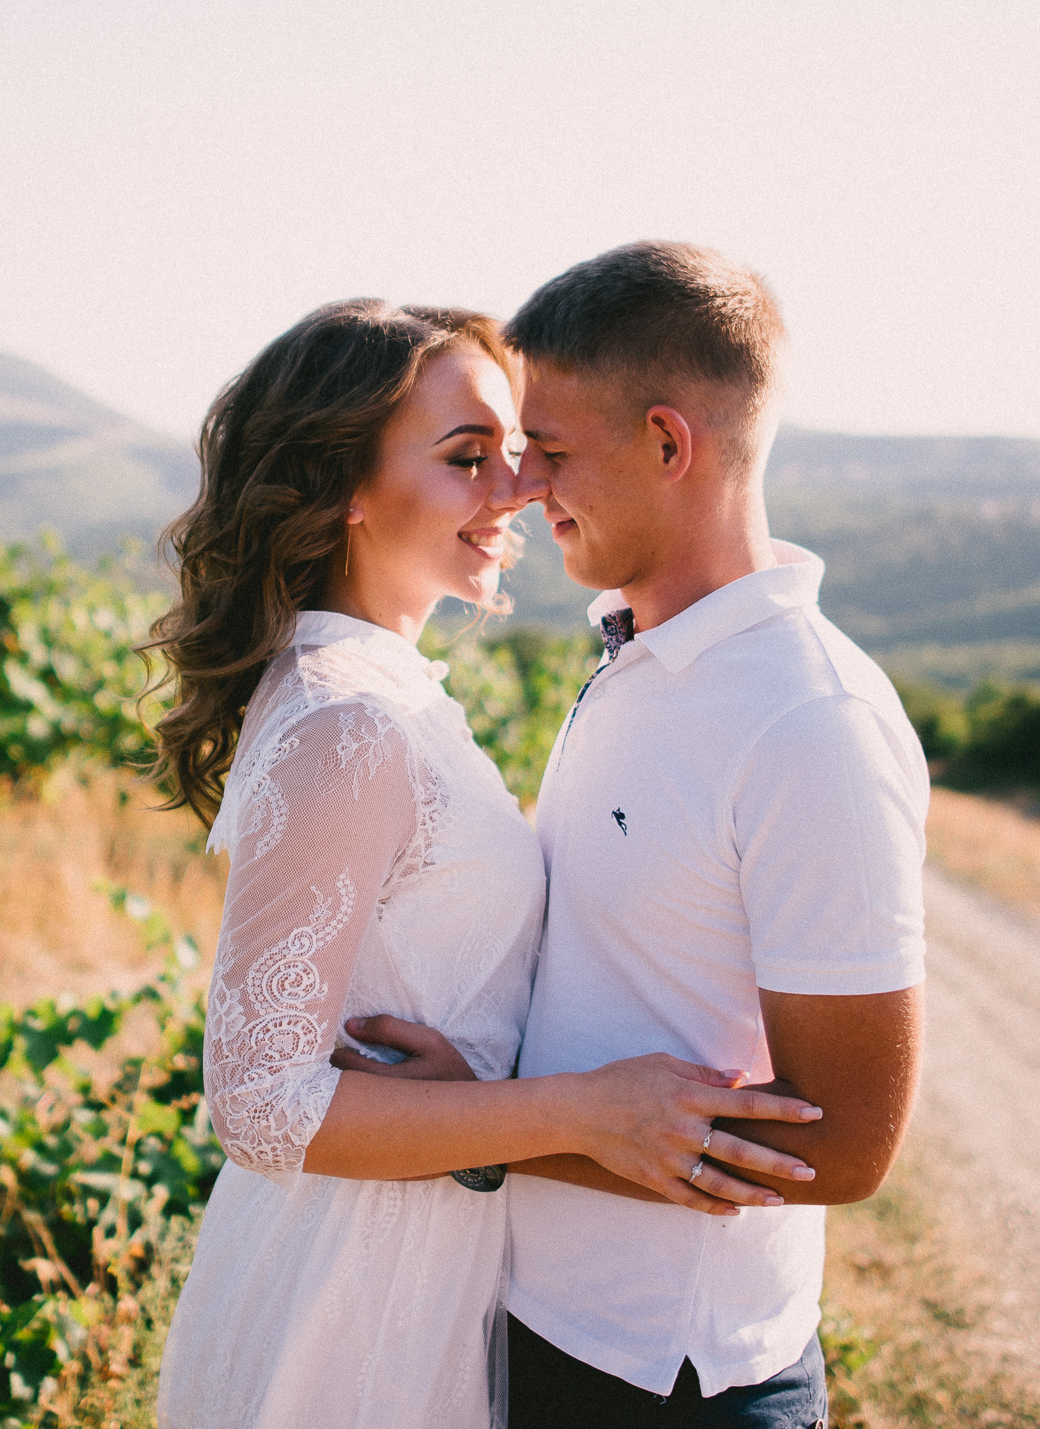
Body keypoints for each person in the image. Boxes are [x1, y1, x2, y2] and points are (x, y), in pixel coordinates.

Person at [145, 299, 828, 1429]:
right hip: (350, 1297)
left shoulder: (385, 695)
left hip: (426, 1261)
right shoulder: (345, 726)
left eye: (511, 452)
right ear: (342, 492)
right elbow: (259, 1104)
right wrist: (576, 1110)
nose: (514, 488)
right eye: (467, 458)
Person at [347, 243, 931, 1427]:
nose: (519, 487)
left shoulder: (807, 722)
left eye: (550, 451)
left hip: (672, 1377)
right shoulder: (636, 650)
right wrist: (498, 1117)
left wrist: (493, 1127)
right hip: (539, 1321)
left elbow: (849, 1146)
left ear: (670, 444)